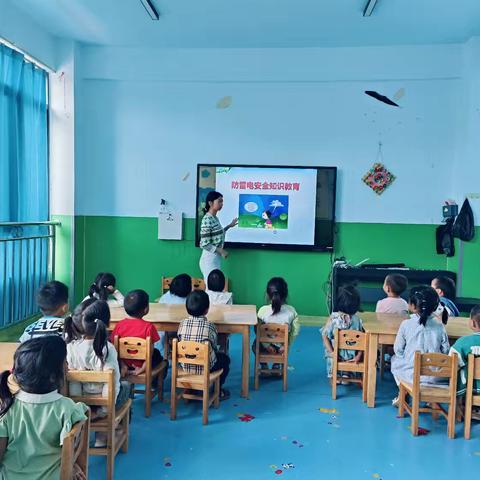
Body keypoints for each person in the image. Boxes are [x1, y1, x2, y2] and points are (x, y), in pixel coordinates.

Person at [0, 336, 87, 480]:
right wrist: (72, 465)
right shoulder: (68, 409)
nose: (68, 364)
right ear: (54, 375)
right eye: (65, 362)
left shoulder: (7, 409)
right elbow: (71, 451)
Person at [64, 299, 131, 425]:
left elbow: (73, 381)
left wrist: (81, 408)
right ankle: (104, 436)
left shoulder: (70, 347)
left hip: (81, 403)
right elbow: (112, 382)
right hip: (103, 403)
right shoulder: (107, 349)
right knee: (126, 385)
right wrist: (102, 411)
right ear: (104, 323)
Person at [391, 286, 450, 406]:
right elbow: (446, 350)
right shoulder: (440, 326)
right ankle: (430, 399)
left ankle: (403, 393)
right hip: (436, 377)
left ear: (412, 306)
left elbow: (398, 350)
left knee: (394, 361)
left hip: (412, 376)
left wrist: (406, 357)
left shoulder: (406, 324)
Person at [177, 290, 231, 400]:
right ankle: (218, 390)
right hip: (206, 367)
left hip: (185, 366)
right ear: (207, 310)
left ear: (187, 308)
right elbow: (214, 347)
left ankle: (190, 387)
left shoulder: (182, 324)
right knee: (225, 360)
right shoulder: (210, 326)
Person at [111, 289, 165, 378]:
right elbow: (150, 352)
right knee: (158, 355)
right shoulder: (149, 327)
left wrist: (123, 364)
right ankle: (154, 384)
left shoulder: (119, 325)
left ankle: (124, 368)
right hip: (142, 363)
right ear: (146, 309)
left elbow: (115, 348)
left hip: (125, 363)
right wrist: (143, 368)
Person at [256, 277, 300, 371]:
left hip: (263, 346)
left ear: (268, 294)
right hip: (282, 347)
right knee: (285, 340)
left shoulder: (262, 311)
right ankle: (278, 364)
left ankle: (264, 366)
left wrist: (267, 345)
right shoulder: (292, 311)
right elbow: (295, 331)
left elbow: (257, 329)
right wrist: (286, 345)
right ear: (286, 294)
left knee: (255, 345)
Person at [321, 285, 364, 381]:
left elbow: (324, 335)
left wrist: (332, 352)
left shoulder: (333, 318)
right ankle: (347, 373)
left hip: (336, 355)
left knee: (329, 345)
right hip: (352, 357)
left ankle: (333, 373)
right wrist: (358, 356)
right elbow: (363, 341)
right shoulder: (358, 320)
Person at [199, 191, 237, 282]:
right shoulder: (207, 219)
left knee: (214, 287)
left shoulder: (215, 218)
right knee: (211, 289)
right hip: (209, 259)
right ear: (210, 203)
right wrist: (221, 250)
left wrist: (229, 226)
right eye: (219, 201)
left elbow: (217, 234)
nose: (222, 204)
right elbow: (204, 244)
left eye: (222, 201)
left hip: (215, 258)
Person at [450, 305, 480, 398]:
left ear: (473, 323)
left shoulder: (463, 342)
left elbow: (451, 364)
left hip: (471, 388)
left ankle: (458, 410)